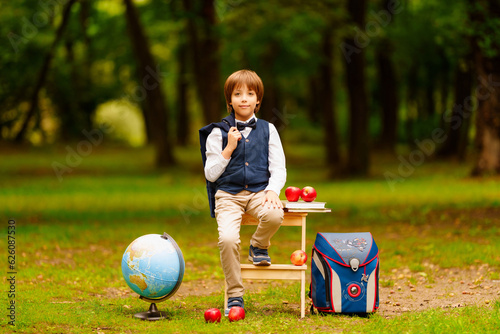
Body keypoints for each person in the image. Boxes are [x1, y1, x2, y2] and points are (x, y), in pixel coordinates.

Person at [199, 69, 287, 315]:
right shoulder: (217, 132)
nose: (244, 98)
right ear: (230, 100)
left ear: (258, 99)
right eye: (238, 94)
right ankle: (235, 295)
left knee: (275, 215)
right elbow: (211, 174)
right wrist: (228, 148)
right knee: (227, 239)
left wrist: (272, 190)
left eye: (250, 93)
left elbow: (278, 167)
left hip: (259, 192)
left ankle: (258, 245)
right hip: (228, 195)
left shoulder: (269, 130)